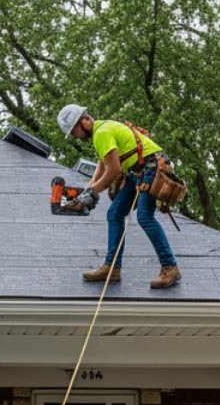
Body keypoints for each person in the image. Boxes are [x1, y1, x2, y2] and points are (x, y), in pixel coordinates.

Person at [57, 103, 181, 289]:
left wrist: (92, 192)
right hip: (137, 170)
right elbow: (103, 163)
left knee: (145, 217)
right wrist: (87, 189)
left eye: (74, 131)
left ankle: (170, 267)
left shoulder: (102, 133)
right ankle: (112, 268)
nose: (75, 136)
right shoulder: (101, 130)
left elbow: (113, 170)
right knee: (114, 214)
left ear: (84, 121)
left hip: (151, 166)